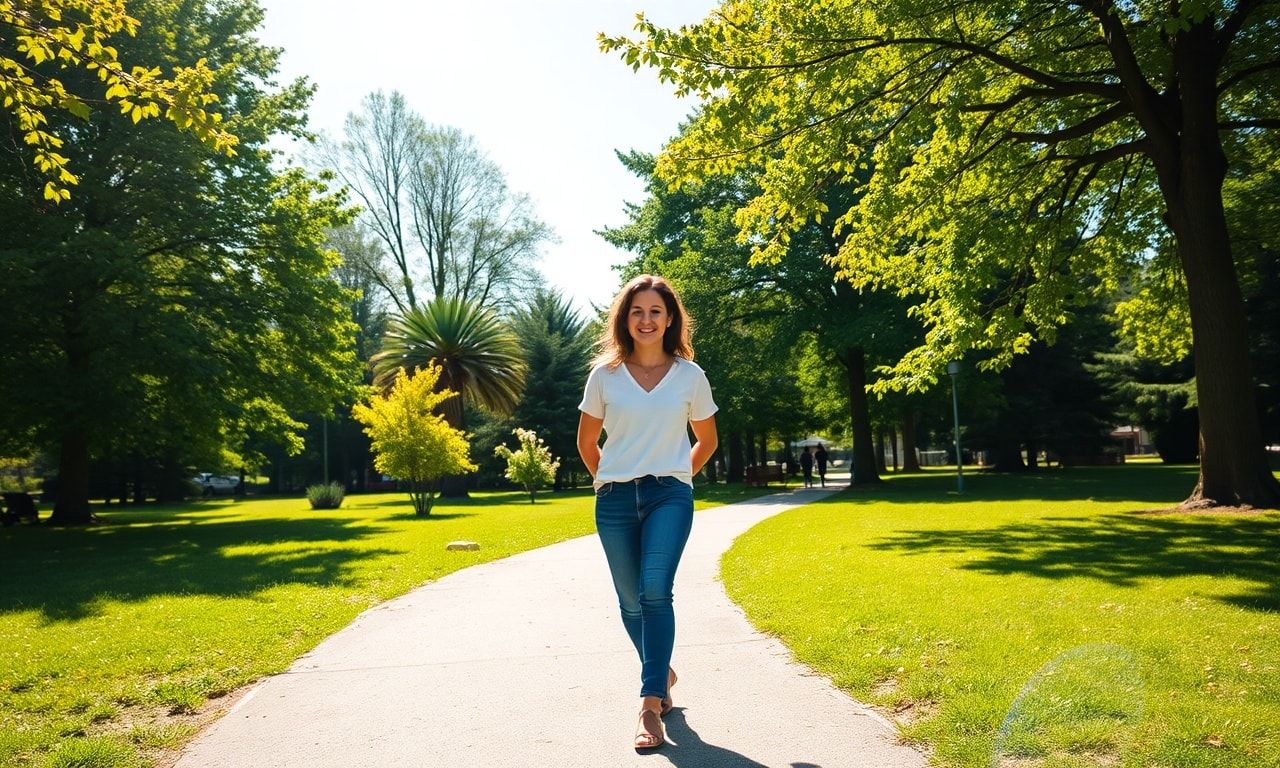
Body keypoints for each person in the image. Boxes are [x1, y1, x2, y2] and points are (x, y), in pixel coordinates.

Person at [576, 274, 719, 750]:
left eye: (656, 311)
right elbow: (586, 442)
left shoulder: (689, 376)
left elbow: (707, 439)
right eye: (637, 310)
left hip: (668, 497)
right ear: (625, 318)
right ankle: (662, 671)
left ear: (670, 317)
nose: (646, 319)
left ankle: (649, 704)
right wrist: (608, 477)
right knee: (630, 601)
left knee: (655, 592)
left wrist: (679, 475)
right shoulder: (605, 375)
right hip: (614, 499)